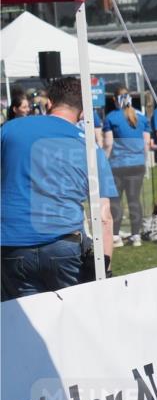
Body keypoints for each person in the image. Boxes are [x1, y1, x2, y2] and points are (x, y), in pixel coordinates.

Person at [1, 77, 117, 299]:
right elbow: (104, 217)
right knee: (75, 321)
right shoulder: (90, 148)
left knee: (22, 326)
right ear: (83, 113)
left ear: (49, 102)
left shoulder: (10, 129)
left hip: (12, 245)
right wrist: (105, 265)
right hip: (63, 244)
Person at [103, 88, 150, 247]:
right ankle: (136, 235)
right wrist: (144, 162)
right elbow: (146, 144)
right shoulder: (141, 117)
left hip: (117, 164)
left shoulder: (111, 117)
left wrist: (103, 161)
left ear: (116, 99)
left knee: (116, 201)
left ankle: (116, 236)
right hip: (137, 164)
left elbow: (108, 144)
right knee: (134, 200)